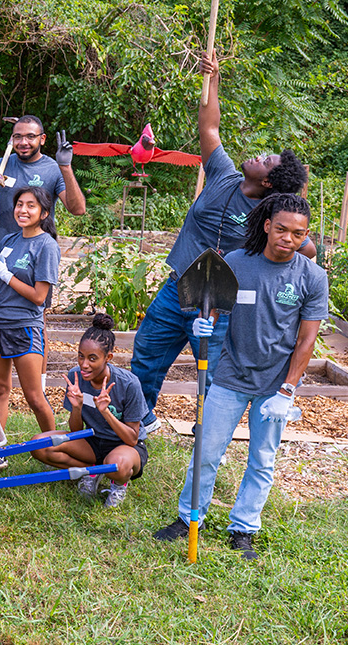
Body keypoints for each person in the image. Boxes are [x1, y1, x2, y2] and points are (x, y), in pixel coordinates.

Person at [131, 52, 314, 435]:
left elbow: (304, 246)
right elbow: (209, 128)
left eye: (266, 160)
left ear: (268, 182)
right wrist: (212, 79)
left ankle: (207, 435)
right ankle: (138, 422)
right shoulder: (222, 175)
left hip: (221, 304)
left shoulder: (271, 212)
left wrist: (289, 260)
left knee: (213, 376)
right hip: (179, 286)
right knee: (147, 355)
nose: (257, 155)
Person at [154, 193, 327, 560]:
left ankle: (244, 528)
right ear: (267, 225)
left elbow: (307, 340)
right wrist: (206, 324)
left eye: (298, 234)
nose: (288, 239)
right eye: (281, 229)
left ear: (305, 235)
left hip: (275, 386)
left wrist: (288, 390)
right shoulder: (235, 262)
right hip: (230, 377)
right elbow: (214, 306)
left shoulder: (312, 277)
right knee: (207, 451)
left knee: (262, 459)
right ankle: (188, 518)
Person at [0, 116, 85, 408]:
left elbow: (77, 208)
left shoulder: (51, 169)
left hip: (34, 256)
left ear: (42, 139)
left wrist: (65, 167)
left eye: (30, 136)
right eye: (17, 136)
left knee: (35, 318)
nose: (23, 142)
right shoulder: (1, 164)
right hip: (1, 255)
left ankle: (37, 388)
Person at [30, 313, 147, 508]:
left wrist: (106, 412)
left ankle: (118, 483)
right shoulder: (75, 376)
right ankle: (91, 471)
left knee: (117, 465)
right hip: (92, 442)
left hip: (125, 446)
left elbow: (132, 438)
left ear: (108, 357)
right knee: (38, 445)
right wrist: (76, 408)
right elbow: (76, 432)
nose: (84, 364)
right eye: (81, 356)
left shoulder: (128, 384)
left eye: (92, 358)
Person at [0, 186, 60, 439]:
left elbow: (39, 297)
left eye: (31, 206)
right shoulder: (8, 240)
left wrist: (7, 274)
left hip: (24, 326)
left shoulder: (46, 246)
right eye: (19, 204)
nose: (23, 210)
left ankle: (57, 446)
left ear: (44, 213)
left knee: (34, 396)